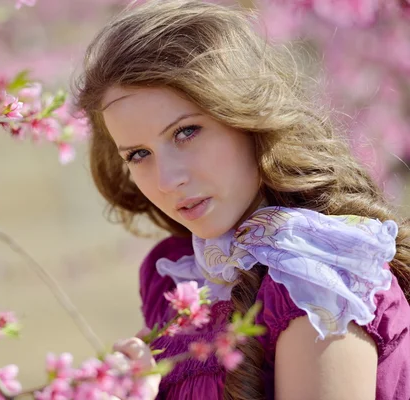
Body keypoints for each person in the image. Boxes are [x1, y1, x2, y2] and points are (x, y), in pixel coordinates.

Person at [74, 0, 410, 399]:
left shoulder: (316, 275)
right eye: (138, 154)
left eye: (186, 132)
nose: (166, 180)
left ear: (247, 117)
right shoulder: (180, 281)